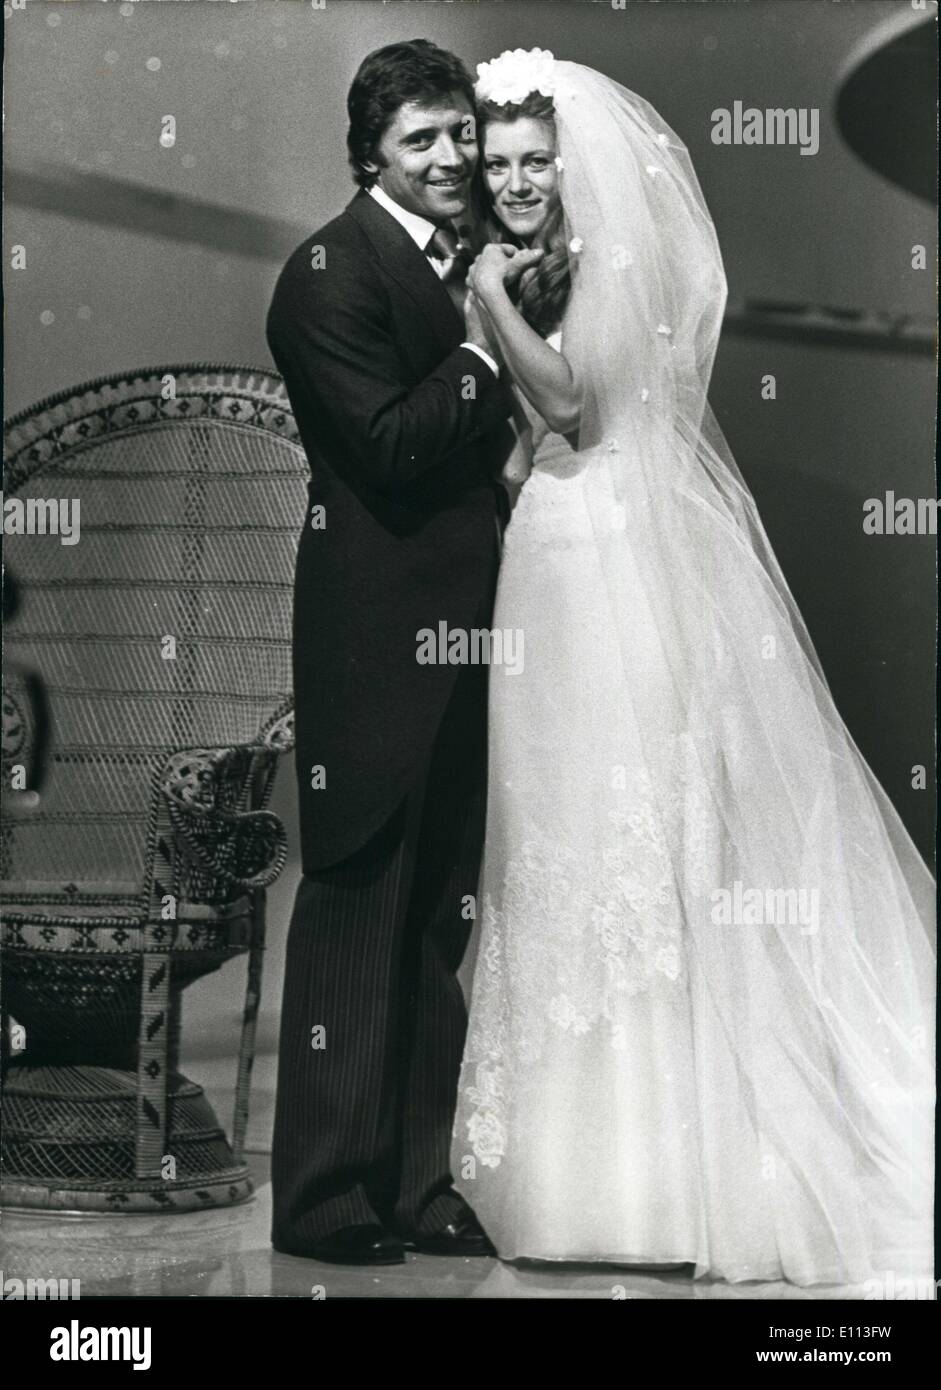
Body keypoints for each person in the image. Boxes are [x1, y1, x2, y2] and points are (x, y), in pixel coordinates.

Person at [452, 49, 935, 1286]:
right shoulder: (533, 266)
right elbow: (524, 442)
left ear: (573, 171)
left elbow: (574, 406)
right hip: (546, 554)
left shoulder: (586, 266)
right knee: (550, 831)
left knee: (628, 835)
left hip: (608, 556)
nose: (512, 183)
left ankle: (661, 1172)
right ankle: (568, 1165)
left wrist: (490, 301)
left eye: (532, 163)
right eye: (496, 164)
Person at [265, 39, 536, 1266]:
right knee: (356, 905)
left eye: (457, 132)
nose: (450, 156)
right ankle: (326, 1198)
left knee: (436, 916)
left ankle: (421, 1183)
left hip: (470, 633)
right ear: (368, 153)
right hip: (373, 639)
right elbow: (384, 442)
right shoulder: (327, 273)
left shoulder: (463, 262)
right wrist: (482, 354)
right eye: (418, 138)